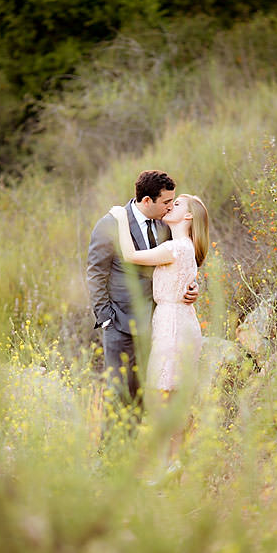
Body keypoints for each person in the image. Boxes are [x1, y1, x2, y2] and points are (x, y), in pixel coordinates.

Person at [86, 170, 198, 437]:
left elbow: (182, 260)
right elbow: (95, 271)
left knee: (152, 394)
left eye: (173, 202)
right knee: (120, 392)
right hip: (120, 323)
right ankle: (112, 459)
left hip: (159, 325)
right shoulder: (110, 225)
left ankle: (141, 457)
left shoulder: (165, 224)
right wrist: (106, 317)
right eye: (166, 202)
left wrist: (193, 286)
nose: (170, 207)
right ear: (147, 200)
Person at [109, 193, 209, 466]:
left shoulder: (176, 248)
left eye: (177, 204)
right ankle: (173, 465)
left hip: (173, 326)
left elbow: (129, 255)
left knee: (160, 399)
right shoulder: (183, 247)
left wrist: (120, 218)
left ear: (188, 217)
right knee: (172, 400)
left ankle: (167, 464)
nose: (170, 206)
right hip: (179, 319)